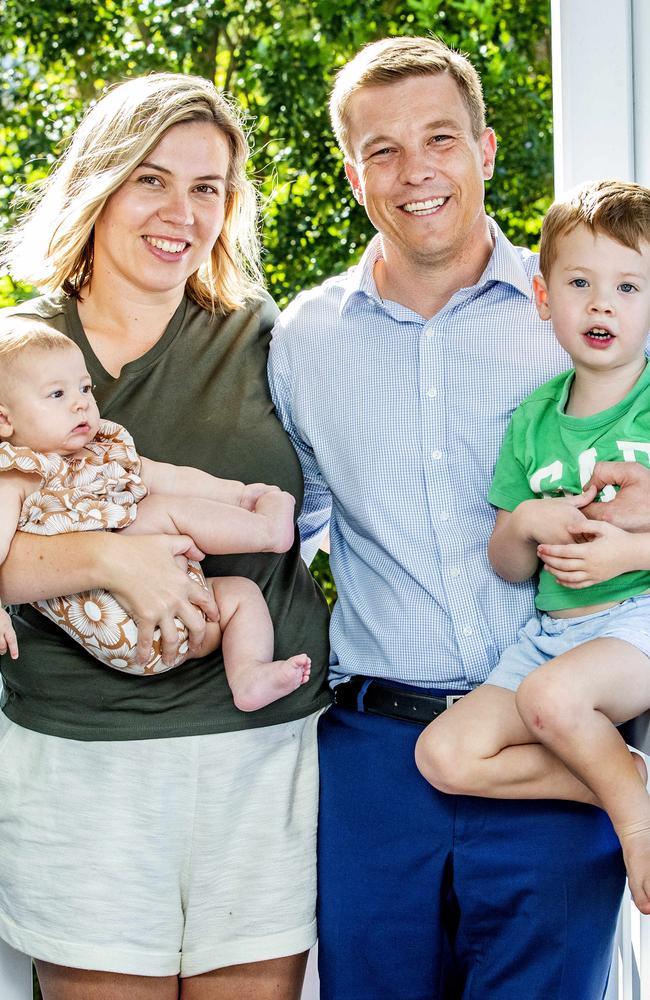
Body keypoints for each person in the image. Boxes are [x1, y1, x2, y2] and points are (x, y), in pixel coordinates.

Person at [268, 36, 643, 1000]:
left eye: (440, 137)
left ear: (483, 149)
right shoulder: (303, 341)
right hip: (373, 759)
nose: (416, 170)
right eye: (382, 149)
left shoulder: (575, 312)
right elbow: (288, 529)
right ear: (352, 175)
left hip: (548, 739)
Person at [0, 72, 330, 1000]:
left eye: (208, 188)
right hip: (80, 756)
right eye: (151, 179)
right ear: (100, 183)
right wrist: (110, 557)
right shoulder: (17, 353)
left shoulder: (269, 339)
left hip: (256, 745)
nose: (180, 212)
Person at [415, 179, 650, 914]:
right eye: (580, 283)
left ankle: (637, 825)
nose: (601, 304)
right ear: (545, 298)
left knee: (553, 699)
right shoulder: (532, 421)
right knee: (444, 755)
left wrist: (629, 555)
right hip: (553, 635)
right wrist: (522, 525)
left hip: (636, 619)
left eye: (627, 285)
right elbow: (507, 563)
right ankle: (620, 775)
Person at [0, 318, 311, 708]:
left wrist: (240, 495)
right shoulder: (17, 475)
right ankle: (266, 532)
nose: (81, 402)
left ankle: (249, 674)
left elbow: (171, 477)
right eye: (57, 394)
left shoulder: (103, 450)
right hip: (116, 620)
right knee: (153, 510)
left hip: (191, 618)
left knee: (241, 595)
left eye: (84, 388)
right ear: (4, 420)